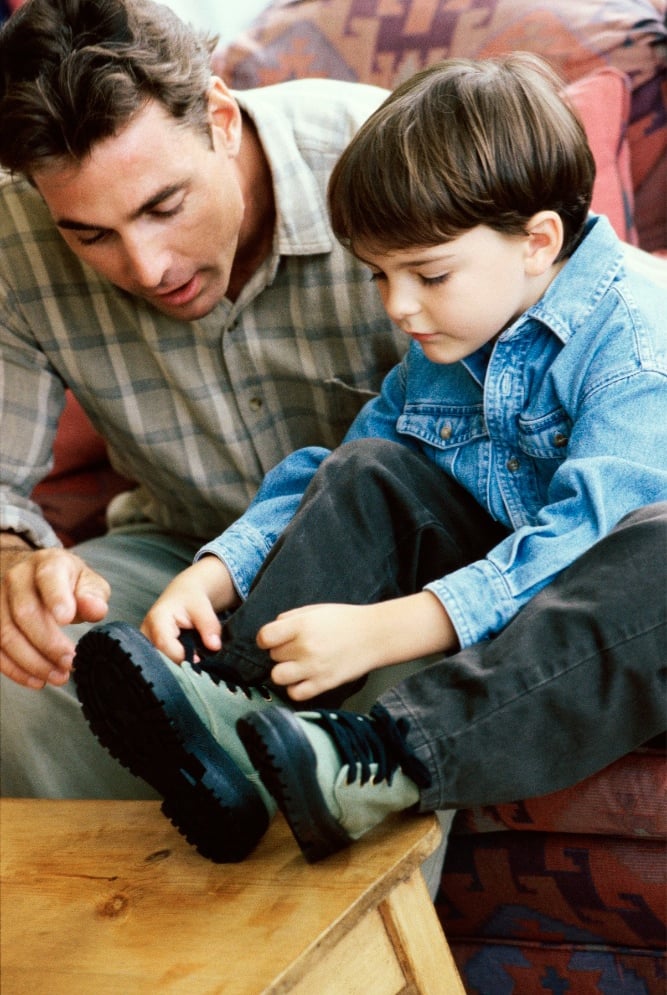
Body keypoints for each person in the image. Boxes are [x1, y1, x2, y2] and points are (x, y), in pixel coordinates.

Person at [71, 53, 666, 866]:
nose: (397, 305)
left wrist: (390, 628)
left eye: (426, 274)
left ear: (537, 242)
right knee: (372, 467)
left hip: (626, 618)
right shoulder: (459, 328)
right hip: (517, 586)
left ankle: (384, 758)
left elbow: (586, 542)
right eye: (379, 276)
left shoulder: (637, 338)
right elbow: (351, 453)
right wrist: (218, 572)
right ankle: (231, 711)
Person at [0, 0, 408, 799]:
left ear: (220, 117)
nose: (146, 266)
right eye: (91, 234)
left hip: (400, 570)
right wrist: (11, 565)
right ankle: (127, 918)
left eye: (163, 206)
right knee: (21, 671)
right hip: (178, 546)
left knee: (403, 673)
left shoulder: (385, 162)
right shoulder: (13, 235)